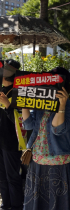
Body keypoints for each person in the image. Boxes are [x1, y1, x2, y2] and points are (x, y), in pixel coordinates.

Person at [22, 67, 70, 210]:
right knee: (38, 200)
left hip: (58, 160)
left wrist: (62, 105)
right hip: (37, 159)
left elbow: (57, 129)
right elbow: (28, 125)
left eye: (57, 82)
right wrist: (24, 102)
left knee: (58, 201)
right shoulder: (41, 103)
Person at [0, 59, 23, 210]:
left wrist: (8, 105)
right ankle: (5, 204)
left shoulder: (19, 92)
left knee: (13, 177)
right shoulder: (1, 89)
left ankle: (16, 206)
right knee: (2, 177)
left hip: (12, 142)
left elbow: (21, 122)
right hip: (1, 141)